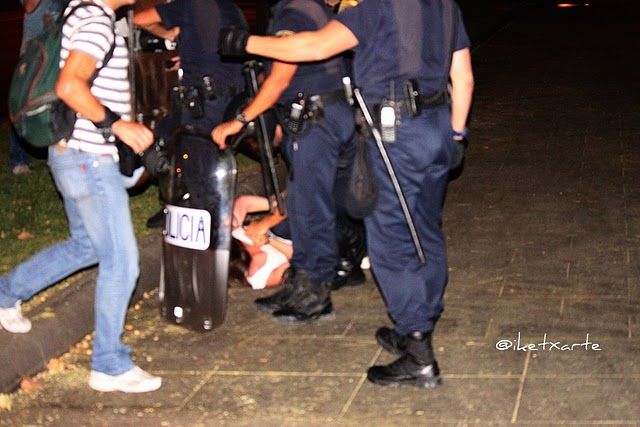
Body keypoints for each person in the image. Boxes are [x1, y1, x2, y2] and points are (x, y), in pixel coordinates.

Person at [219, 0, 474, 388]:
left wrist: (247, 43)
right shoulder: (444, 6)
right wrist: (457, 133)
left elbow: (316, 47)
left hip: (396, 132)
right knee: (424, 227)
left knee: (392, 239)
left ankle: (419, 351)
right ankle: (418, 323)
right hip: (437, 125)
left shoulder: (379, 6)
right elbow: (464, 77)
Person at [0, 0, 161, 393]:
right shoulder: (96, 20)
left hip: (70, 154)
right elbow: (70, 86)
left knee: (87, 244)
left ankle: (5, 293)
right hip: (90, 160)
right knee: (122, 263)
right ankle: (108, 363)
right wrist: (118, 124)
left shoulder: (81, 12)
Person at [213, 0, 356, 325]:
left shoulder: (295, 11)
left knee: (312, 208)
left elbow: (278, 79)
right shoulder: (311, 8)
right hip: (319, 116)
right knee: (307, 204)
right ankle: (301, 284)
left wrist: (239, 120)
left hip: (314, 117)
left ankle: (315, 295)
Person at [133, 0, 248, 228]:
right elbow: (215, 45)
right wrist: (188, 54)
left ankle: (214, 230)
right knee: (167, 136)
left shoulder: (189, 4)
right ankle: (176, 205)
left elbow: (139, 19)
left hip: (205, 99)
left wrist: (167, 33)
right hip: (231, 98)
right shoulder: (232, 8)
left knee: (197, 165)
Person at [9, 0, 66, 175]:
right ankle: (18, 158)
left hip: (58, 37)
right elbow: (30, 6)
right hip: (37, 46)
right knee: (27, 96)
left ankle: (58, 154)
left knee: (57, 98)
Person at [230, 195, 292, 290]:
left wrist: (262, 225)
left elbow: (245, 202)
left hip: (289, 226)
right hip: (308, 245)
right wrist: (269, 241)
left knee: (280, 228)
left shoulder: (236, 235)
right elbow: (299, 260)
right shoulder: (257, 279)